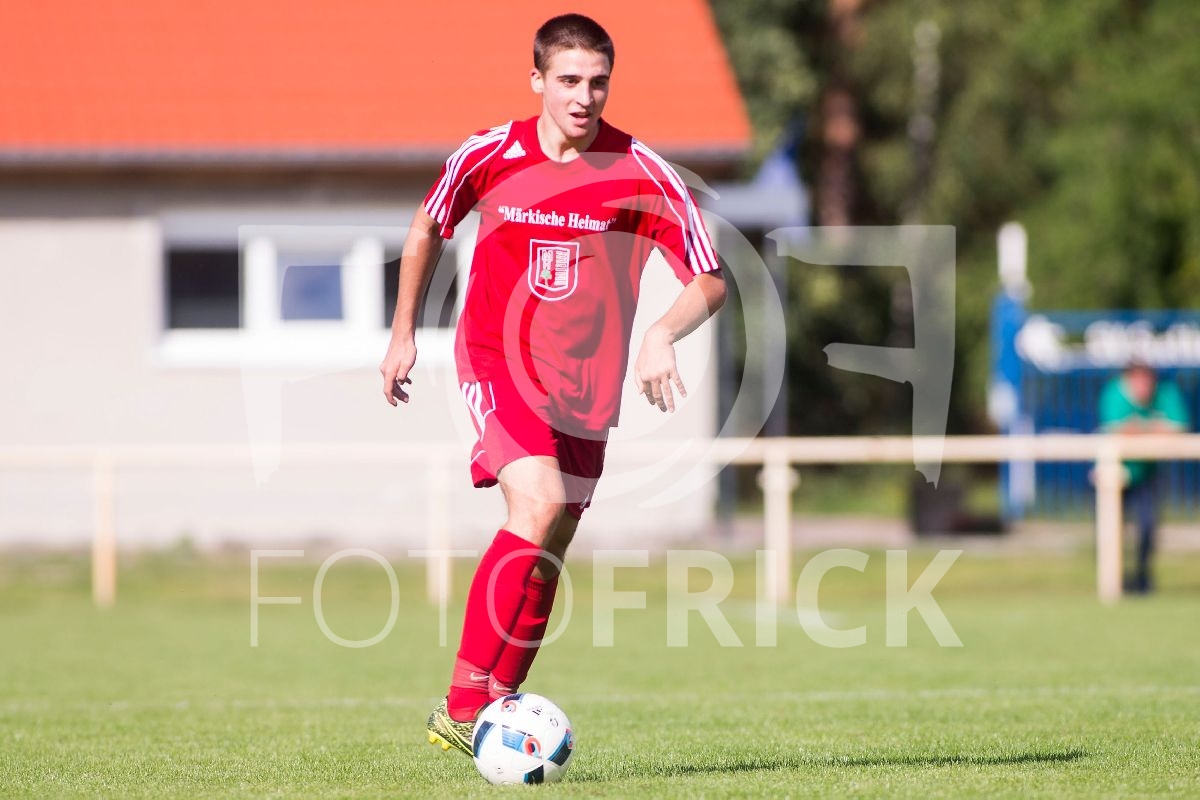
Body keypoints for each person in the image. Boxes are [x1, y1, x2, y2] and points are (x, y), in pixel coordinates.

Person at [378, 14, 726, 755]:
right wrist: (404, 331)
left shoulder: (642, 172)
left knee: (553, 540)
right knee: (535, 506)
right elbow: (428, 225)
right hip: (497, 359)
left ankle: (498, 699)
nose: (583, 97)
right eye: (568, 80)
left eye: (598, 83)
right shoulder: (488, 154)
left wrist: (661, 332)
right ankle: (465, 705)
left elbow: (710, 278)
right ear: (536, 79)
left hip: (585, 387)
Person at [1097, 361, 1190, 593]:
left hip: (1146, 473)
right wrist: (1154, 428)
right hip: (1115, 471)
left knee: (1147, 526)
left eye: (1147, 380)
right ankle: (1116, 579)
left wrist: (1139, 428)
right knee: (1111, 530)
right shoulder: (1114, 393)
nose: (1143, 386)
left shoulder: (1165, 392)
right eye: (1138, 380)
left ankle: (1142, 577)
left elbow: (1178, 428)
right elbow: (1118, 429)